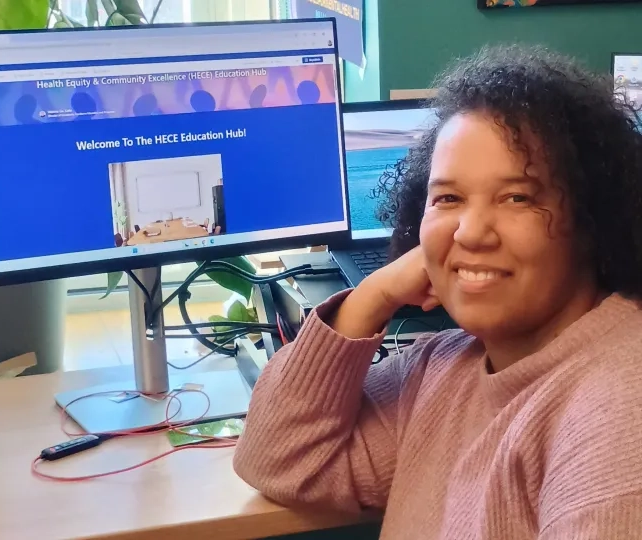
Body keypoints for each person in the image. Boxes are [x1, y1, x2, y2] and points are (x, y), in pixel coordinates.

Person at [233, 45, 642, 539]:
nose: (470, 233)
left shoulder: (619, 413)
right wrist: (372, 296)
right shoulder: (443, 370)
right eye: (448, 198)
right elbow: (278, 459)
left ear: (593, 219)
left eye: (517, 198)